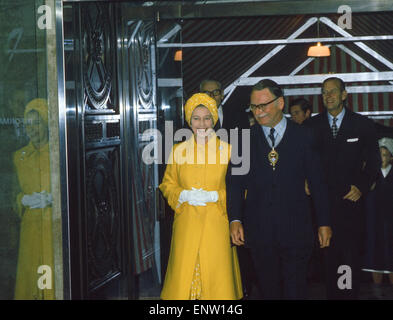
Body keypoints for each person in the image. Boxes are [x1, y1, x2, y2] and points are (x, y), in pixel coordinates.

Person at [227, 79, 332, 299]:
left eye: (264, 105)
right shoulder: (243, 141)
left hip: (297, 232)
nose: (259, 111)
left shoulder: (305, 136)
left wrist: (324, 222)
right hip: (259, 234)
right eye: (254, 106)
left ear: (281, 103)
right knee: (269, 291)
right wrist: (235, 219)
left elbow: (318, 183)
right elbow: (235, 184)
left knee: (296, 292)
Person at [159, 93, 243, 300]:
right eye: (196, 118)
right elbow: (167, 184)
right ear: (189, 121)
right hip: (186, 224)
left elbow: (242, 190)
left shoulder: (229, 150)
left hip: (217, 224)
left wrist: (218, 196)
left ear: (214, 120)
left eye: (207, 118)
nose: (202, 123)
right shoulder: (178, 150)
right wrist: (183, 194)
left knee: (217, 283)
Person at [308, 77, 380, 299]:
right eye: (324, 92)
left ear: (344, 95)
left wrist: (361, 186)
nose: (328, 96)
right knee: (329, 261)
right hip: (322, 209)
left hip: (351, 207)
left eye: (332, 91)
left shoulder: (362, 124)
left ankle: (346, 295)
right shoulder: (312, 126)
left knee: (348, 261)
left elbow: (374, 162)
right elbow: (303, 160)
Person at [200, 79, 256, 298]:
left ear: (222, 95)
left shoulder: (237, 114)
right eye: (208, 93)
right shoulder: (194, 120)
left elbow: (245, 151)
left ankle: (243, 287)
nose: (214, 96)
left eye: (217, 92)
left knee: (239, 238)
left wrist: (245, 186)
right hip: (207, 191)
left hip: (236, 186)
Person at [13, 98, 54, 300]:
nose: (32, 129)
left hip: (51, 228)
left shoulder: (57, 155)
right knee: (31, 278)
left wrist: (54, 198)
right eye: (28, 125)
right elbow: (11, 194)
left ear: (46, 122)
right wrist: (22, 200)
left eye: (36, 123)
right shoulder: (18, 157)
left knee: (48, 276)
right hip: (30, 230)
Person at [362, 137, 393, 299]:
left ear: (391, 157)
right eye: (379, 154)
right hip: (374, 222)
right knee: (375, 254)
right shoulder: (370, 175)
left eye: (385, 154)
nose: (382, 158)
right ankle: (376, 291)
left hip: (390, 223)